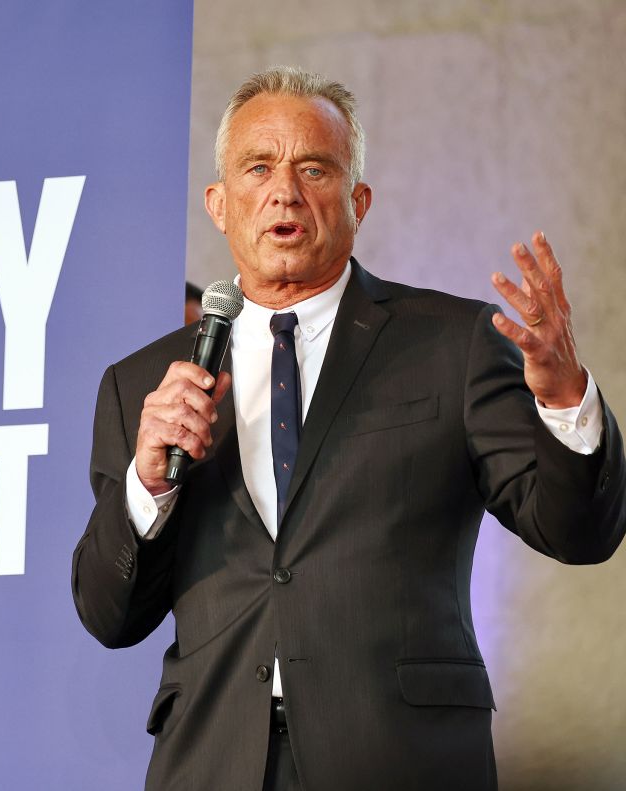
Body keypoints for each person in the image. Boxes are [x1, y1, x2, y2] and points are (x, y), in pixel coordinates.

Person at [71, 67, 625, 791]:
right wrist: (147, 485)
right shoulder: (141, 383)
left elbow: (579, 529)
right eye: (258, 167)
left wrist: (564, 400)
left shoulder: (450, 344)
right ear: (219, 203)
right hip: (213, 761)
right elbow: (109, 614)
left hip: (400, 757)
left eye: (314, 168)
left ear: (358, 200)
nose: (284, 191)